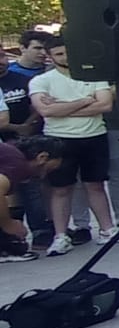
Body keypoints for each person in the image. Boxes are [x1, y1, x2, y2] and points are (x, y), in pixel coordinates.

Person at [28, 38, 115, 255]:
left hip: (94, 135)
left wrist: (61, 107)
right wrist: (85, 101)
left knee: (95, 185)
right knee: (61, 189)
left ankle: (107, 230)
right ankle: (61, 236)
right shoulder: (41, 81)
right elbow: (46, 111)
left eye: (67, 53)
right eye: (58, 54)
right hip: (59, 139)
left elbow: (105, 105)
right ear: (50, 56)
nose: (64, 58)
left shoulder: (94, 75)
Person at [2, 30, 57, 249]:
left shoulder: (22, 80)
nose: (2, 61)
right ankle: (10, 235)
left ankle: (37, 232)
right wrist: (8, 224)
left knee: (29, 187)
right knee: (10, 191)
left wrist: (29, 125)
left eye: (3, 56)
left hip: (26, 138)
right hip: (8, 143)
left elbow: (37, 106)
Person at [0, 136, 64, 263]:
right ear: (42, 158)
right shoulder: (17, 163)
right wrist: (8, 224)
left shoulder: (11, 153)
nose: (46, 175)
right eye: (50, 169)